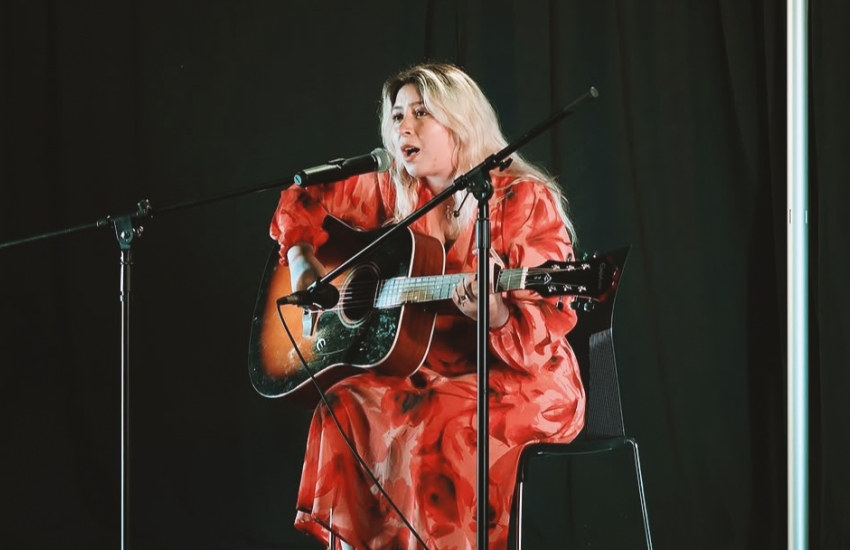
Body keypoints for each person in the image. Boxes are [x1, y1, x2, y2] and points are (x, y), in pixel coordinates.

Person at [269, 62, 586, 550]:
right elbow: (301, 194)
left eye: (421, 113)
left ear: (459, 121)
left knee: (440, 426)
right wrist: (302, 262)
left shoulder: (523, 199)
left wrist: (497, 315)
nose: (404, 128)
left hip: (520, 380)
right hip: (427, 370)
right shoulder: (397, 190)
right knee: (342, 408)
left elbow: (547, 326)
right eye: (397, 116)